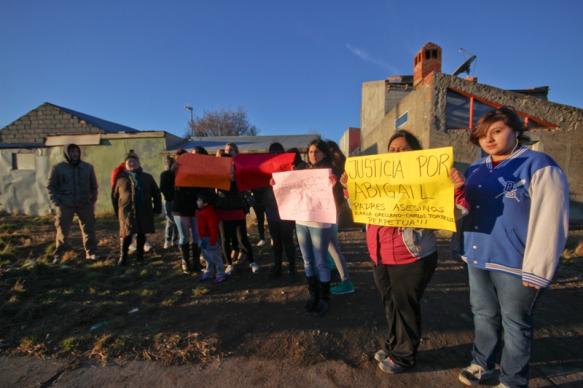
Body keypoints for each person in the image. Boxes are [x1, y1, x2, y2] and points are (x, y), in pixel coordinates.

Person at [457, 107, 569, 388]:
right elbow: (465, 210)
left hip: (516, 261)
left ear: (515, 130)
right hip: (478, 255)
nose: (489, 140)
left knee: (516, 323)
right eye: (483, 135)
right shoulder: (475, 169)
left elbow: (551, 217)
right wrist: (457, 193)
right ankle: (483, 364)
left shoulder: (538, 164)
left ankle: (513, 380)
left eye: (496, 131)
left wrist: (538, 269)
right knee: (482, 314)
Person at [343, 130, 466, 374]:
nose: (397, 153)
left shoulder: (431, 179)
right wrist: (350, 190)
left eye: (403, 148)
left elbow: (456, 213)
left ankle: (404, 356)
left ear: (416, 153)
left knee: (405, 307)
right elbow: (360, 209)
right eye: (393, 149)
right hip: (379, 255)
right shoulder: (379, 179)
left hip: (412, 255)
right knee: (390, 304)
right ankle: (392, 345)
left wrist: (456, 191)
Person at [295, 139, 335, 316]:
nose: (313, 155)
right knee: (307, 260)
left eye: (317, 151)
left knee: (320, 260)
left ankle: (325, 298)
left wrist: (334, 186)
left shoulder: (330, 172)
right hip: (301, 220)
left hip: (320, 222)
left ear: (324, 153)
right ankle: (314, 295)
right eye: (310, 152)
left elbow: (339, 197)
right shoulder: (301, 170)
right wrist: (277, 185)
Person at [47, 143, 98, 262]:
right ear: (66, 153)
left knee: (89, 229)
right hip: (65, 204)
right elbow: (51, 186)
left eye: (76, 151)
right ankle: (60, 255)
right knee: (62, 230)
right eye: (72, 152)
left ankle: (91, 252)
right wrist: (57, 201)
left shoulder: (87, 167)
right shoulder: (58, 168)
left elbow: (94, 186)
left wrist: (92, 200)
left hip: (84, 203)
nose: (75, 154)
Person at [112, 151, 162, 266]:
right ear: (125, 164)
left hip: (144, 210)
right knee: (126, 234)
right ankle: (123, 257)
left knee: (141, 233)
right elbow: (114, 197)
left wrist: (157, 208)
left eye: (134, 161)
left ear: (138, 163)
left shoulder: (147, 177)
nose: (132, 163)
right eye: (129, 162)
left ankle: (140, 256)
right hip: (126, 211)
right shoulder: (121, 179)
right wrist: (117, 212)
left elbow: (156, 193)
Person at [216, 143, 259, 274]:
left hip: (237, 209)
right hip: (223, 210)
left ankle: (252, 261)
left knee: (242, 238)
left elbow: (247, 184)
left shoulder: (239, 173)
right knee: (225, 239)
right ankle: (229, 264)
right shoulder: (217, 175)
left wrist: (235, 177)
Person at [325, 140, 355, 295]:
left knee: (332, 246)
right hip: (334, 209)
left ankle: (346, 281)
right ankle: (335, 272)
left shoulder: (330, 168)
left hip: (328, 210)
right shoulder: (341, 164)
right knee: (331, 245)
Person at [265, 142, 297, 280]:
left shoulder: (289, 167)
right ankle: (277, 267)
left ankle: (292, 268)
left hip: (286, 207)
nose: (275, 155)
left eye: (278, 152)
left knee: (288, 240)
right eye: (272, 153)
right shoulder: (265, 168)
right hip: (272, 208)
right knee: (276, 240)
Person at [172, 148, 204, 274]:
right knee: (184, 236)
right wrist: (172, 172)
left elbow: (200, 187)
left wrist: (200, 199)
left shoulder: (195, 171)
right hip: (180, 208)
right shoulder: (169, 173)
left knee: (197, 236)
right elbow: (166, 190)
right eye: (179, 157)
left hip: (194, 206)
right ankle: (185, 262)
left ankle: (196, 262)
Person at [197, 192, 227, 283]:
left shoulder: (209, 213)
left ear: (205, 203)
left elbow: (213, 227)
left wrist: (213, 238)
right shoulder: (201, 212)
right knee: (207, 256)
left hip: (210, 238)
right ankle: (210, 271)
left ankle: (221, 273)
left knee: (215, 256)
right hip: (203, 238)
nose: (197, 202)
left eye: (199, 200)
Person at [160, 155, 178, 249]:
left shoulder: (177, 173)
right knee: (171, 221)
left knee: (176, 221)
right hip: (169, 200)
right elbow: (163, 188)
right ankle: (168, 240)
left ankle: (174, 239)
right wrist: (169, 197)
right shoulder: (165, 174)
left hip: (176, 200)